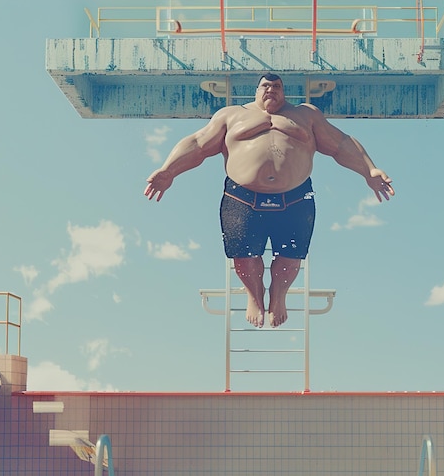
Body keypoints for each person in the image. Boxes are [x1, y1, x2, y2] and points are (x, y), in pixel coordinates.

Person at [144, 72, 394, 328]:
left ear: (284, 92)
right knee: (244, 255)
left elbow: (340, 144)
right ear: (256, 90)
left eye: (277, 86)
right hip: (241, 197)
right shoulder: (230, 115)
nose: (271, 90)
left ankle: (279, 295)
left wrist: (369, 170)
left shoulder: (306, 115)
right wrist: (168, 170)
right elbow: (198, 144)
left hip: (295, 197)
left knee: (291, 255)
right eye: (265, 85)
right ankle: (255, 296)